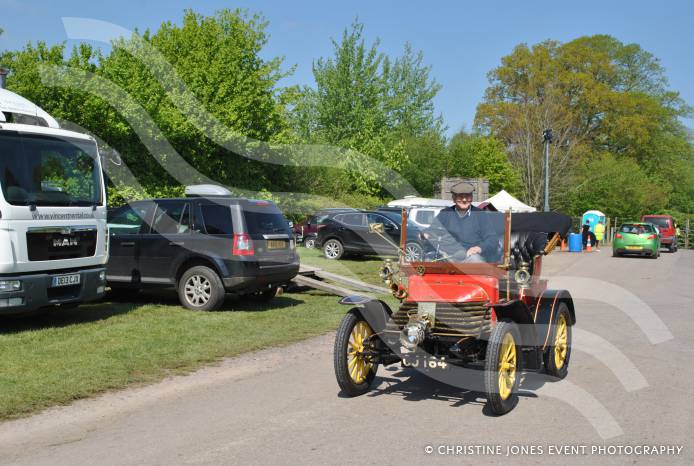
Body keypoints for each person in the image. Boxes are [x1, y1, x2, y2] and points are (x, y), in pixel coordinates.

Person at [422, 182, 500, 263]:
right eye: (460, 196)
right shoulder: (445, 213)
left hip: (469, 257)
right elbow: (432, 230)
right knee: (429, 260)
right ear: (453, 198)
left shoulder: (480, 215)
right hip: (446, 257)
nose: (464, 200)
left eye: (467, 196)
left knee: (476, 261)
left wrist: (479, 248)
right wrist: (425, 234)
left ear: (472, 198)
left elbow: (492, 239)